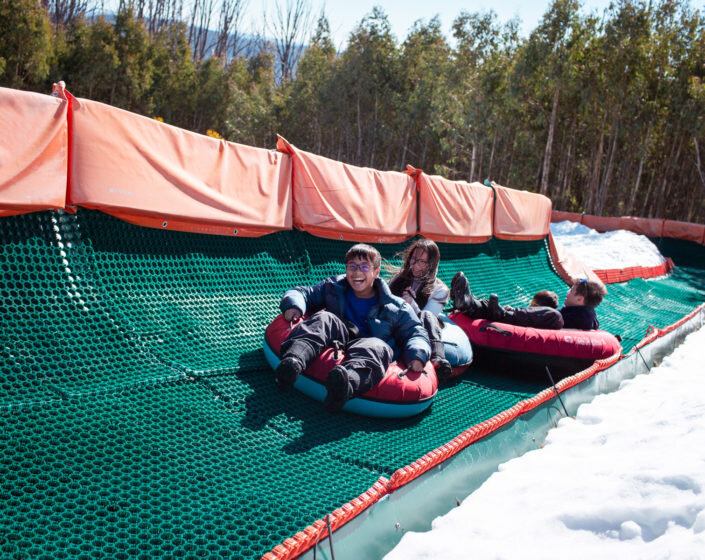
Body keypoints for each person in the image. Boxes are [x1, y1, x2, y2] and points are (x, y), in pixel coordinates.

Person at [276, 243, 431, 412]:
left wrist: (417, 354)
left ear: (376, 272)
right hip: (339, 337)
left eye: (364, 267)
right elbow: (304, 293)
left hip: (369, 345)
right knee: (324, 318)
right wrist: (294, 305)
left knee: (377, 346)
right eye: (352, 266)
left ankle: (344, 385)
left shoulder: (396, 307)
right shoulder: (334, 287)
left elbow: (415, 332)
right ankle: (293, 363)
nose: (357, 272)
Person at [388, 239, 453, 381]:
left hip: (419, 331)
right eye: (414, 259)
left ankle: (438, 359)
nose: (416, 265)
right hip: (395, 324)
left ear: (431, 264)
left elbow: (425, 319)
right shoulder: (399, 278)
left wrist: (411, 304)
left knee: (426, 314)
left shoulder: (440, 290)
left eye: (422, 262)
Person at [450, 273, 606, 331]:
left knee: (554, 316)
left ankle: (493, 311)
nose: (567, 292)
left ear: (580, 299)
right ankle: (470, 304)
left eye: (571, 291)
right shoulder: (577, 313)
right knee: (552, 314)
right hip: (535, 324)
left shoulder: (585, 317)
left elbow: (557, 320)